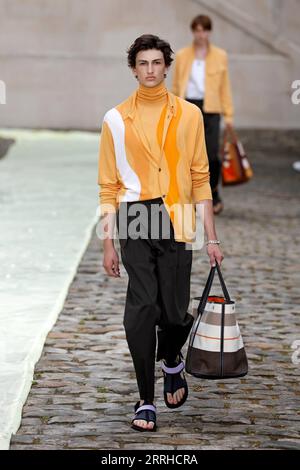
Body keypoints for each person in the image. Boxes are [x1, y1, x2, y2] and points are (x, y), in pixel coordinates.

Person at [97, 34, 224, 432]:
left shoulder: (189, 115)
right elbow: (108, 185)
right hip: (135, 216)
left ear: (167, 66)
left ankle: (171, 359)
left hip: (176, 216)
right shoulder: (115, 120)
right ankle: (145, 399)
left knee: (172, 310)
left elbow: (200, 176)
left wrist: (212, 238)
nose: (150, 69)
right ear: (133, 69)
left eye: (157, 62)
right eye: (143, 63)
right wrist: (107, 243)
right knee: (142, 309)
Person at [172, 14, 234, 215]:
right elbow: (176, 85)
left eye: (204, 30)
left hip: (211, 108)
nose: (201, 34)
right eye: (197, 30)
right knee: (187, 154)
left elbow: (225, 87)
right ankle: (188, 196)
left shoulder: (220, 55)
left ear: (209, 32)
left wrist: (229, 115)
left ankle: (213, 193)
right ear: (193, 32)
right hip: (188, 106)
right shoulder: (182, 55)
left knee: (211, 154)